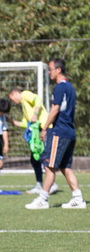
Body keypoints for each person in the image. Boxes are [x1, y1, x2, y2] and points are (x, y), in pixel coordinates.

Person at [26, 58, 86, 210]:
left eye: (51, 69)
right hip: (70, 132)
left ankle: (43, 199)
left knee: (50, 166)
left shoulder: (59, 87)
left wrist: (45, 128)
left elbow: (55, 109)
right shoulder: (70, 87)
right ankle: (78, 198)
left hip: (60, 131)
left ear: (58, 70)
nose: (49, 72)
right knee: (65, 167)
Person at [8, 87, 58, 195]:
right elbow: (26, 123)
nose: (13, 102)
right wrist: (12, 122)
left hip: (44, 129)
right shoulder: (24, 105)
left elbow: (38, 99)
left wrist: (35, 114)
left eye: (12, 99)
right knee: (35, 159)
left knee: (44, 157)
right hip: (36, 132)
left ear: (15, 93)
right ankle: (39, 185)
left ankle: (52, 184)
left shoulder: (25, 94)